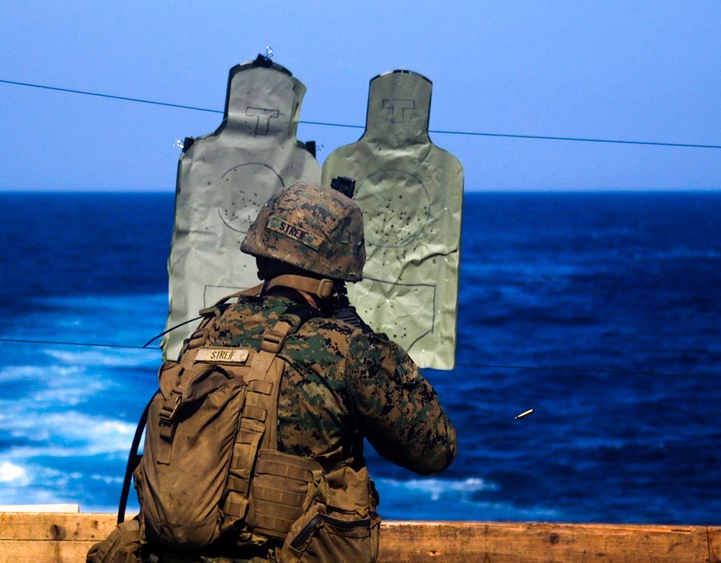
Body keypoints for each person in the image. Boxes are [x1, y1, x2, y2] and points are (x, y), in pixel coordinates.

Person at [90, 181, 457, 562]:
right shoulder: (350, 350)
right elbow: (435, 450)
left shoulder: (207, 333)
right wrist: (371, 345)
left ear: (262, 258)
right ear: (342, 270)